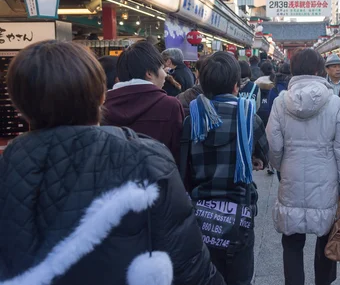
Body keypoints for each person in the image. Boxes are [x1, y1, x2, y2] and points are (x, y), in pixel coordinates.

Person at [0, 41, 224, 285]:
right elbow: (188, 263)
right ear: (100, 93)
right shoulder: (149, 158)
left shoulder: (9, 167)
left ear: (19, 105)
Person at [266, 49, 340, 285]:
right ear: (319, 70)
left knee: (292, 242)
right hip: (326, 180)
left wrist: (280, 166)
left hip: (292, 175)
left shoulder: (280, 102)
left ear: (293, 70)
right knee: (326, 237)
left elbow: (274, 145)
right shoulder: (334, 102)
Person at [182, 52, 269, 285]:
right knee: (239, 277)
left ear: (203, 83)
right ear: (235, 85)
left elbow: (185, 164)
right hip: (239, 211)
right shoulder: (249, 115)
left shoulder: (192, 118)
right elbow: (264, 155)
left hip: (201, 214)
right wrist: (255, 159)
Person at [103, 40, 184, 161]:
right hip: (159, 177)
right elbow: (178, 155)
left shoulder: (102, 106)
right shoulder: (170, 106)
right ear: (150, 73)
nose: (165, 75)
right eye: (162, 68)